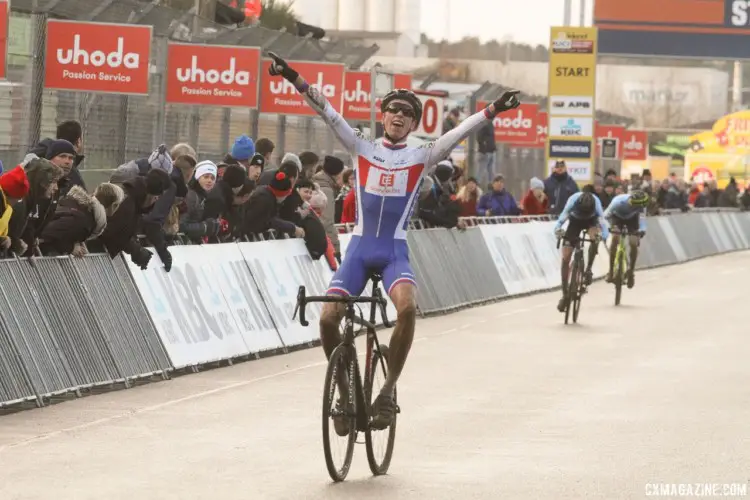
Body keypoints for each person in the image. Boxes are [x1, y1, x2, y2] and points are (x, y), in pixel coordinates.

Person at [267, 51, 521, 432]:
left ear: (414, 123)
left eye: (407, 112)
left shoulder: (424, 154)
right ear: (382, 115)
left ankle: (386, 391)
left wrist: (494, 109)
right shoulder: (361, 146)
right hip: (358, 250)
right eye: (392, 109)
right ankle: (343, 392)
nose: (398, 115)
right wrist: (290, 74)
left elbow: (460, 131)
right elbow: (326, 110)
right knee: (326, 319)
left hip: (393, 253)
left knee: (406, 309)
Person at [553, 188, 609, 313]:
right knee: (566, 256)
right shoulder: (572, 201)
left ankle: (588, 269)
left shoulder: (597, 204)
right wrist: (557, 230)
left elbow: (604, 225)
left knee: (595, 237)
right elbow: (561, 220)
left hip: (591, 221)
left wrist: (603, 236)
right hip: (575, 221)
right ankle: (565, 293)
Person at [603, 190, 649, 289]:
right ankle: (611, 271)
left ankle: (631, 271)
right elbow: (605, 217)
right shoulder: (618, 203)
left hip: (632, 219)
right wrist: (607, 228)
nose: (637, 208)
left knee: (633, 242)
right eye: (635, 206)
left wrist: (642, 230)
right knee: (615, 238)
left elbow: (642, 219)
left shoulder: (641, 205)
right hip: (617, 217)